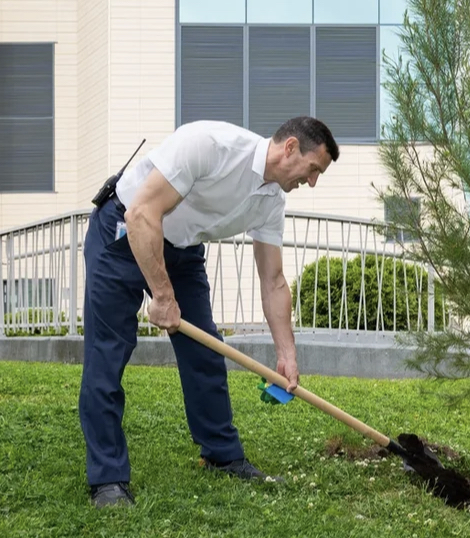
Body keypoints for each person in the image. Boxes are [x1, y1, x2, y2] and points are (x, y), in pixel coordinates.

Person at [79, 116, 339, 508]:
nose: (313, 181)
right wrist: (163, 297)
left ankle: (222, 455)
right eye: (314, 169)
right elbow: (141, 215)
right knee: (108, 352)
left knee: (205, 351)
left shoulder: (271, 201)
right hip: (123, 229)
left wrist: (286, 354)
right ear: (289, 148)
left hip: (181, 249)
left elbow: (274, 282)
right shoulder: (209, 145)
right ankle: (108, 479)